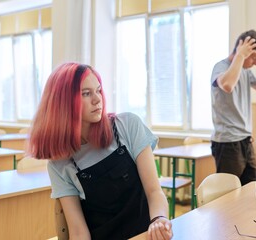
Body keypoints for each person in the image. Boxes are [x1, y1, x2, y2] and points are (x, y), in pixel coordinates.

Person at [28, 63, 173, 240]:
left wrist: (159, 219)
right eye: (86, 93)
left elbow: (154, 192)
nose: (98, 99)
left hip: (146, 235)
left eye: (98, 90)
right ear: (63, 101)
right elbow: (79, 231)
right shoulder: (59, 165)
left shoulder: (128, 125)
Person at [210, 30, 256, 185]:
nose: (255, 63)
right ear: (242, 48)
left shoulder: (245, 71)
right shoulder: (221, 67)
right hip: (227, 143)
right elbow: (227, 85)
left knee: (251, 186)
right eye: (254, 57)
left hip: (245, 140)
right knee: (227, 193)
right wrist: (240, 55)